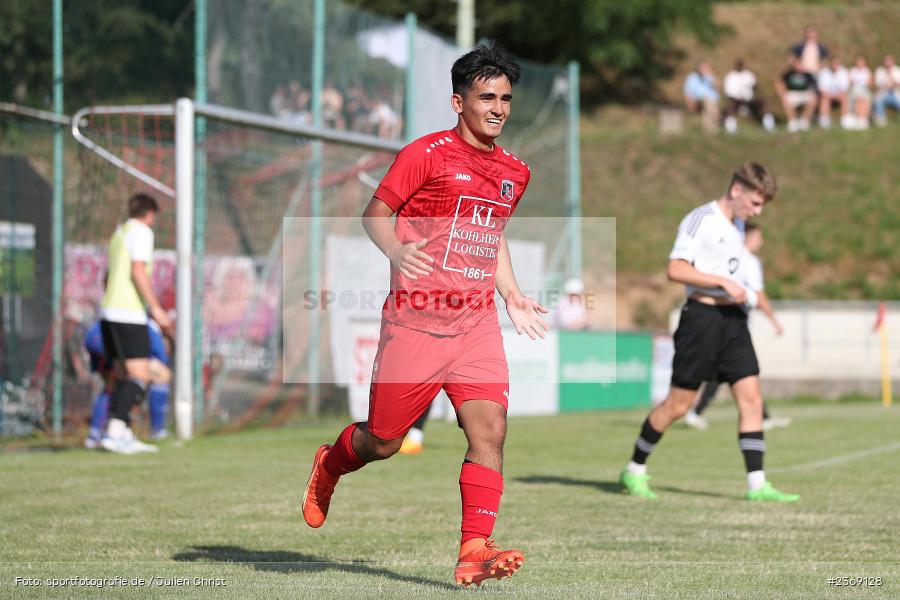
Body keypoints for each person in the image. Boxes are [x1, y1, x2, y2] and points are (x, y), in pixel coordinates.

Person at [301, 41, 547, 587]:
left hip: (476, 322)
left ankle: (474, 550)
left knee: (490, 430)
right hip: (416, 321)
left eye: (506, 98)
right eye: (487, 97)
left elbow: (493, 234)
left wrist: (512, 294)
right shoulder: (425, 155)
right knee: (384, 441)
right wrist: (396, 251)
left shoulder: (514, 171)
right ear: (459, 102)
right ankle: (332, 463)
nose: (499, 109)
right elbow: (376, 215)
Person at [618, 162, 799, 503]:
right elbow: (675, 269)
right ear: (736, 191)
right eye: (755, 203)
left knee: (752, 400)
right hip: (701, 319)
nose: (758, 211)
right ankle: (635, 469)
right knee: (678, 405)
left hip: (733, 322)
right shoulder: (700, 219)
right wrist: (721, 282)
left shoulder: (738, 224)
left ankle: (757, 485)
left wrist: (741, 290)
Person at [684, 223, 790, 432]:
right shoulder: (748, 261)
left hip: (728, 323)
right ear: (748, 237)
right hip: (731, 324)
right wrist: (775, 321)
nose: (761, 241)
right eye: (759, 237)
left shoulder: (732, 258)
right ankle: (692, 411)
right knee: (740, 371)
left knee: (737, 372)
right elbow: (759, 296)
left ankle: (761, 416)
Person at [98, 193, 171, 454]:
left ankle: (122, 431)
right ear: (150, 213)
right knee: (140, 375)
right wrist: (156, 308)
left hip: (108, 311)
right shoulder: (142, 232)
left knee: (122, 375)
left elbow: (109, 274)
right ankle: (115, 432)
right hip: (128, 312)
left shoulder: (120, 233)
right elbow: (138, 270)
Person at [84, 318, 172, 448]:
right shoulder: (152, 328)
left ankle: (95, 435)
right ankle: (157, 430)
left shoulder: (143, 320)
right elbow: (161, 359)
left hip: (96, 334)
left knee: (112, 384)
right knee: (160, 374)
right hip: (108, 335)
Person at [722, 60, 775, 133]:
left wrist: (754, 86)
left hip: (749, 99)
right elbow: (728, 92)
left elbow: (755, 86)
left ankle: (769, 125)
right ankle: (731, 128)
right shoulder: (730, 76)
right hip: (736, 99)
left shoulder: (748, 74)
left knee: (764, 102)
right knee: (731, 105)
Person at [775, 54, 817, 133]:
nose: (798, 66)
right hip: (792, 93)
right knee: (785, 99)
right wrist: (782, 92)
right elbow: (778, 81)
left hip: (804, 93)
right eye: (796, 64)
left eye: (800, 64)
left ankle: (804, 121)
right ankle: (793, 122)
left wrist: (811, 91)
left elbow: (813, 85)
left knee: (813, 99)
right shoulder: (789, 73)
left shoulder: (807, 74)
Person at [683, 61, 720, 134]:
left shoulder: (710, 77)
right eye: (702, 68)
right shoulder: (692, 77)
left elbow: (718, 87)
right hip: (699, 99)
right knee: (707, 102)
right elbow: (687, 91)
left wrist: (710, 76)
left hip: (712, 100)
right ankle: (717, 118)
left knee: (707, 110)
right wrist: (689, 102)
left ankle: (709, 131)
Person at [816, 55, 851, 129]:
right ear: (830, 63)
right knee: (824, 99)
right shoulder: (823, 73)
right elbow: (822, 91)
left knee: (844, 98)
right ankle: (824, 121)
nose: (835, 65)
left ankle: (845, 120)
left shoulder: (844, 72)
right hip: (828, 96)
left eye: (837, 63)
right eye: (834, 63)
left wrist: (837, 96)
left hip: (839, 96)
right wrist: (831, 96)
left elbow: (844, 90)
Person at [873, 54, 900, 127]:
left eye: (889, 61)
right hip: (883, 93)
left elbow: (898, 84)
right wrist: (886, 81)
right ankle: (881, 120)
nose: (888, 63)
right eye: (886, 61)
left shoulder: (897, 70)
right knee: (878, 100)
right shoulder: (880, 71)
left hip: (896, 94)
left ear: (893, 61)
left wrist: (891, 78)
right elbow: (878, 85)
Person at [847, 54, 873, 130]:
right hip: (854, 90)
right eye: (858, 61)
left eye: (861, 61)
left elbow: (870, 83)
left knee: (865, 100)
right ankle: (860, 119)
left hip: (865, 90)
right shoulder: (852, 70)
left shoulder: (867, 71)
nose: (860, 63)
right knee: (860, 98)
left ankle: (864, 119)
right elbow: (849, 82)